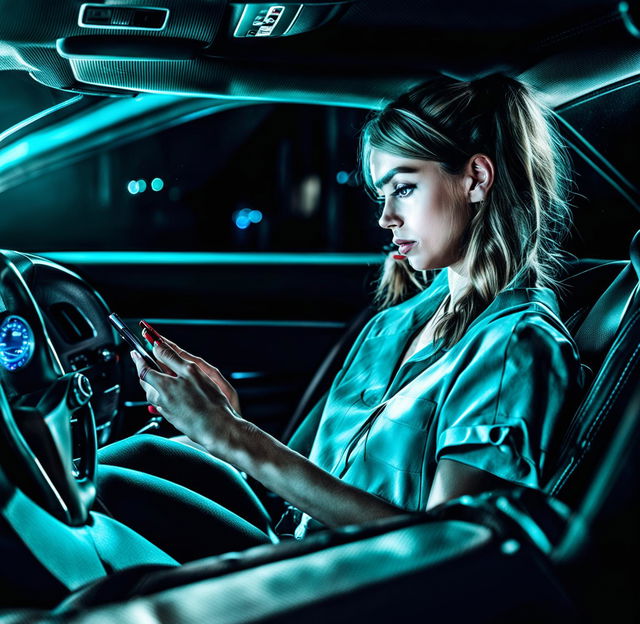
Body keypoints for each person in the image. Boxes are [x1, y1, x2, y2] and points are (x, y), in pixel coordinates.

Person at [96, 73, 584, 562]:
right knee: (128, 464)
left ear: (476, 179)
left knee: (111, 496)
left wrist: (231, 435)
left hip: (357, 587)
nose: (385, 218)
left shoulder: (516, 346)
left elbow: (449, 553)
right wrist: (225, 418)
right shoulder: (398, 323)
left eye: (405, 189)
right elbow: (312, 480)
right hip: (298, 545)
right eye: (382, 196)